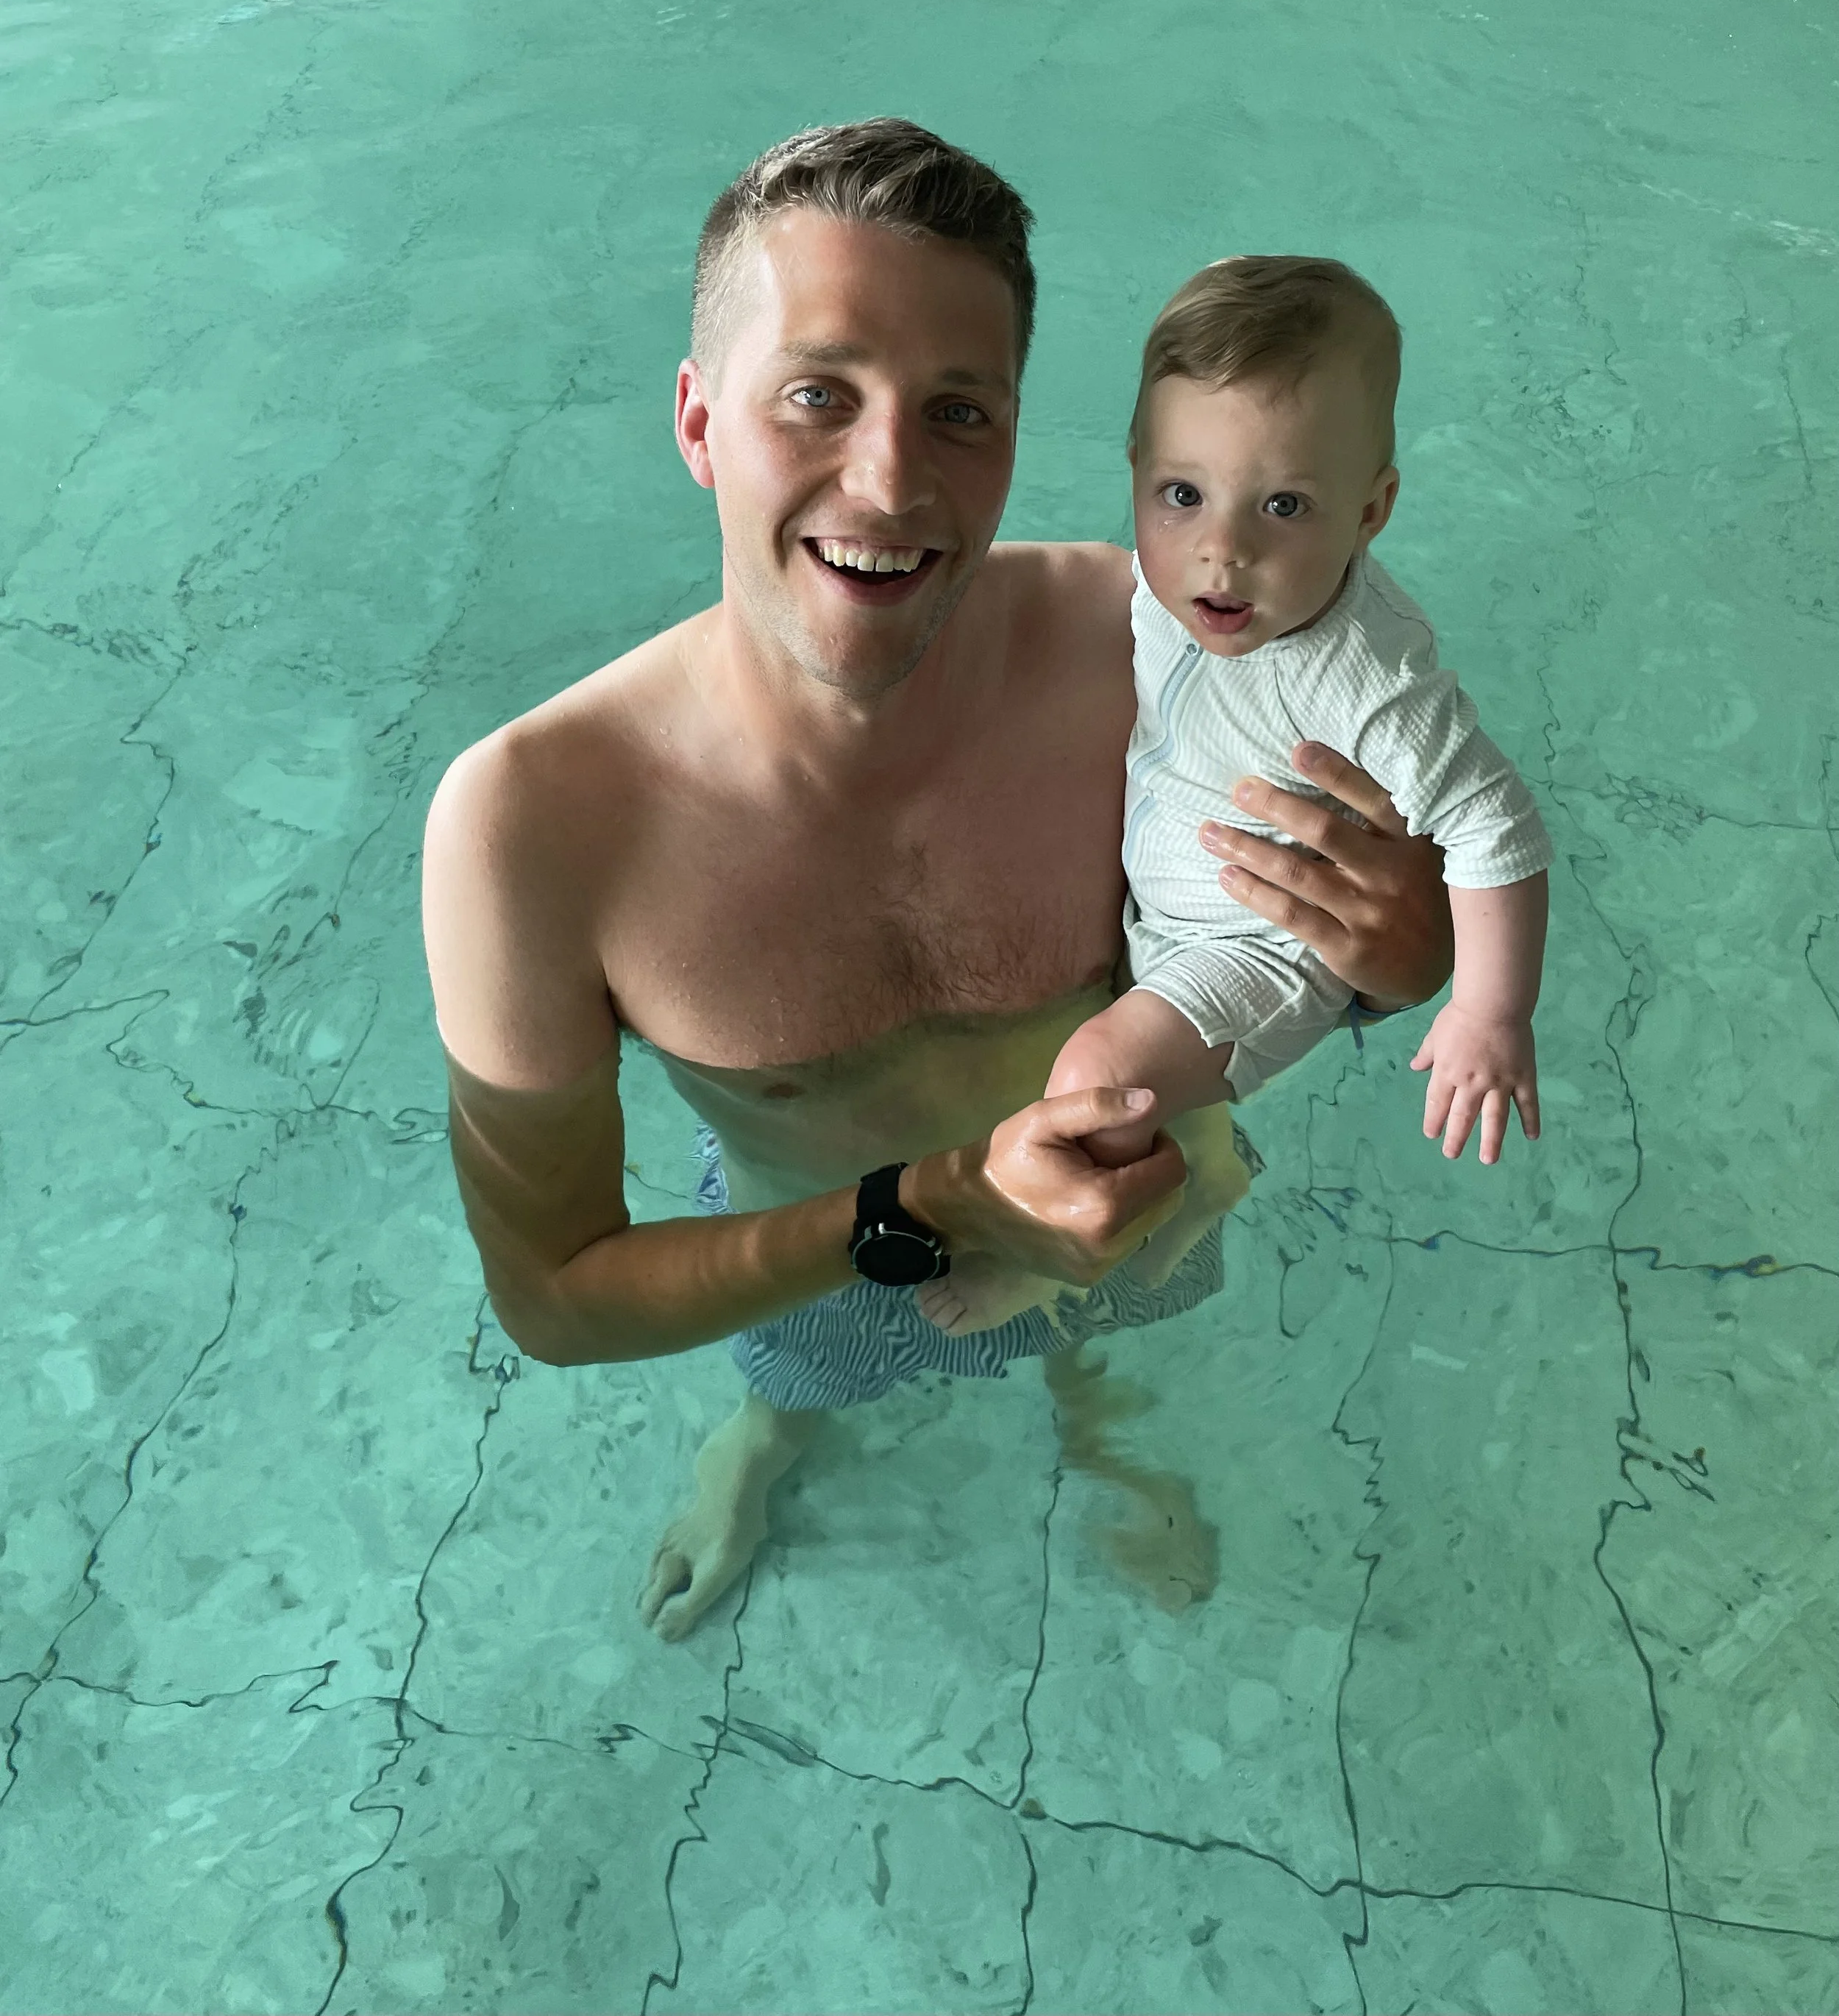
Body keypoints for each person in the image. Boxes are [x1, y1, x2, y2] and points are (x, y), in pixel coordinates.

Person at [420, 120, 1454, 1644]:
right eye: (815, 396)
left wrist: (1403, 958)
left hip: (1138, 1196)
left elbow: (1311, 957)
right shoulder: (531, 824)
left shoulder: (1156, 656)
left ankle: (1096, 1419)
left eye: (956, 410)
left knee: (1104, 1339)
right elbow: (558, 1295)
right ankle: (767, 1440)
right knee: (797, 1378)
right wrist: (929, 1205)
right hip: (808, 1259)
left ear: (1017, 436)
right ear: (700, 424)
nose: (891, 479)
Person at [917, 257, 1551, 1338]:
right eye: (1182, 494)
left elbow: (1498, 825)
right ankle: (1207, 1178)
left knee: (1098, 1073)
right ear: (1136, 474)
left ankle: (1063, 1263)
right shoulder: (1179, 584)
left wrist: (1489, 1011)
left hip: (1260, 949)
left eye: (1285, 506)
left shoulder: (1367, 685)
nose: (1225, 549)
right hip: (1172, 904)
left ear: (1373, 510)